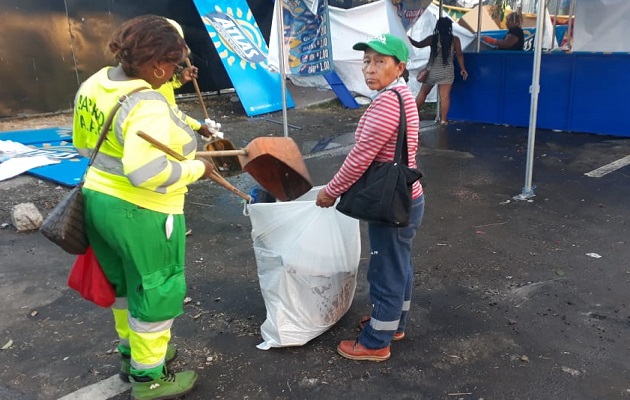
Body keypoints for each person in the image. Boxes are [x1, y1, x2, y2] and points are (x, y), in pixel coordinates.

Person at [72, 15, 215, 400]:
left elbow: (81, 141)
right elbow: (145, 171)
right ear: (156, 65)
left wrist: (193, 127)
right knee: (157, 289)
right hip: (142, 211)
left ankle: (131, 353)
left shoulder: (96, 83)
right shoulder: (146, 101)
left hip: (97, 201)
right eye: (173, 66)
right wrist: (197, 167)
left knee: (123, 286)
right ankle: (149, 377)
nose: (175, 74)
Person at [315, 33, 425, 362]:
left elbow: (360, 156)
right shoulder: (403, 94)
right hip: (407, 197)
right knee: (399, 265)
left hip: (391, 203)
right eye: (366, 61)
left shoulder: (387, 103)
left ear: (399, 66)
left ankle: (377, 341)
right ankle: (393, 324)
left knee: (385, 270)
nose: (370, 69)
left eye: (380, 62)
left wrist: (330, 191)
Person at [408, 17, 468, 126]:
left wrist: (408, 39)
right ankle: (444, 120)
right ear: (450, 27)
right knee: (444, 97)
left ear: (438, 27)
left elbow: (418, 44)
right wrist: (463, 68)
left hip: (432, 71)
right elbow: (459, 55)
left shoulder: (433, 39)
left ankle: (413, 116)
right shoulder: (455, 40)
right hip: (447, 72)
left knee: (423, 93)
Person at [158, 18, 212, 139]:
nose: (176, 66)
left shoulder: (147, 76)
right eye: (173, 61)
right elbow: (172, 114)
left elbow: (164, 88)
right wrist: (199, 126)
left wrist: (179, 80)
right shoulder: (144, 88)